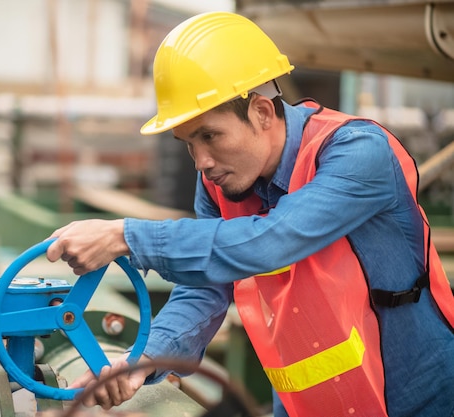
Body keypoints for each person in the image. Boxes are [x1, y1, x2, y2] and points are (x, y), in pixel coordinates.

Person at [45, 11, 454, 417]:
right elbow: (205, 287)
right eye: (188, 143)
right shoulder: (221, 182)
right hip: (309, 406)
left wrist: (127, 237)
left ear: (261, 112)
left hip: (419, 398)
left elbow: (272, 240)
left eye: (210, 135)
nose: (200, 162)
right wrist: (144, 359)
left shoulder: (359, 152)